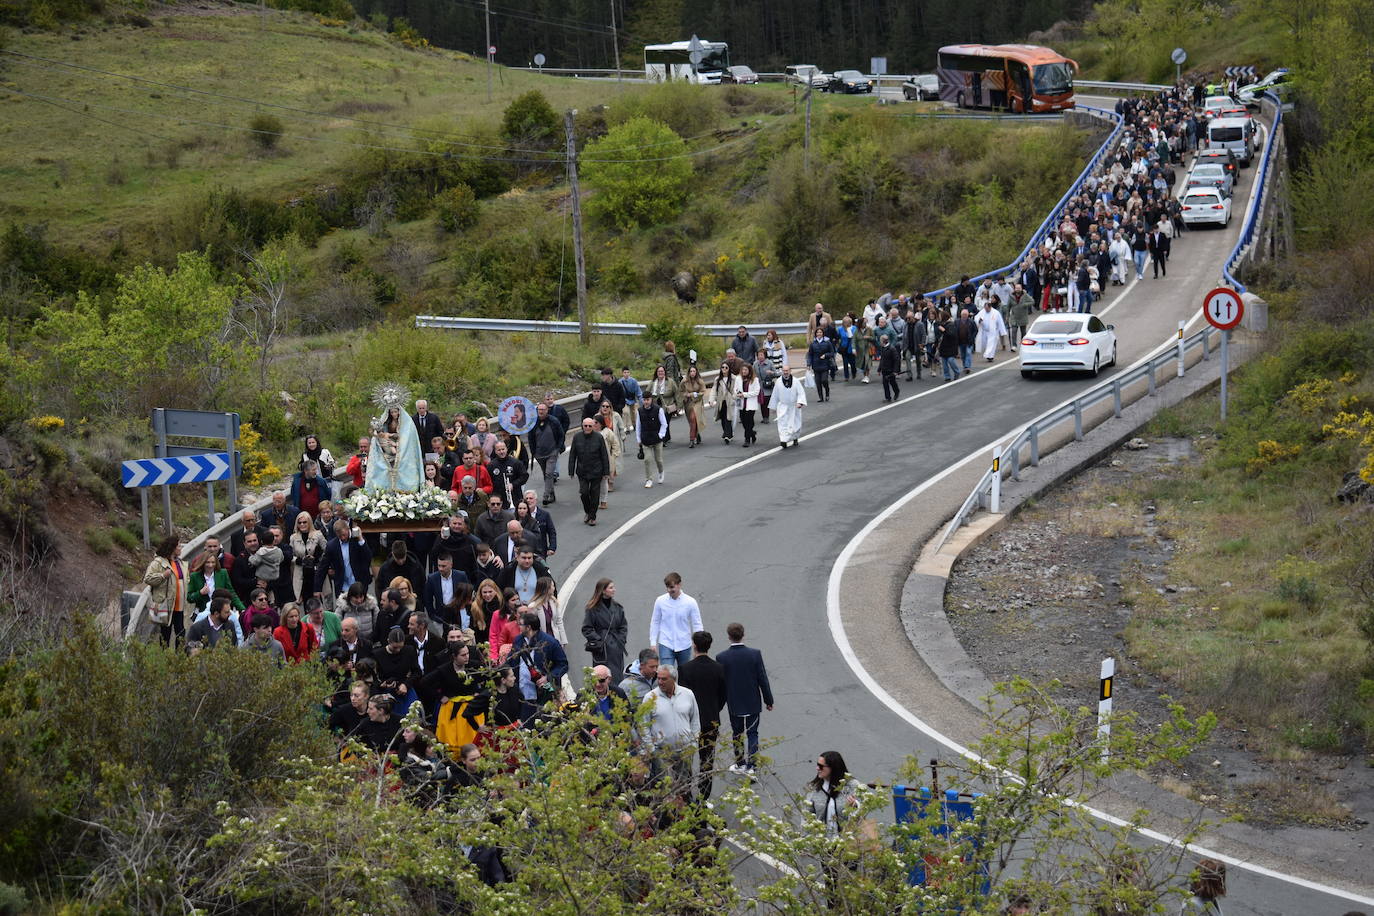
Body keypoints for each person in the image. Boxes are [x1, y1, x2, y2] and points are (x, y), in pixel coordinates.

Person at [718, 622, 773, 775]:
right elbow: (762, 679)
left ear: (729, 636)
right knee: (753, 733)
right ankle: (752, 766)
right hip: (753, 701)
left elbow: (721, 684)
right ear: (743, 635)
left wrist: (719, 703)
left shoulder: (722, 657)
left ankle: (740, 763)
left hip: (734, 702)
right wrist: (768, 700)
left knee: (737, 733)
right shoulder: (755, 654)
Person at [677, 630, 726, 800]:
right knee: (707, 760)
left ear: (694, 645)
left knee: (687, 759)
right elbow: (723, 695)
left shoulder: (685, 669)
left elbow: (681, 696)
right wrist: (714, 709)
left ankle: (687, 794)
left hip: (690, 721)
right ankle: (704, 797)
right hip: (711, 719)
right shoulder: (719, 668)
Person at [641, 664, 700, 797]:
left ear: (674, 679)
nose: (660, 682)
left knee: (683, 788)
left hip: (685, 750)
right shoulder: (650, 698)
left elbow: (695, 721)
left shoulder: (687, 694)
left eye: (664, 679)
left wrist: (693, 744)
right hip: (662, 752)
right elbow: (643, 725)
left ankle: (683, 814)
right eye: (659, 678)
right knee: (665, 788)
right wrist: (652, 749)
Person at [508, 612, 569, 720]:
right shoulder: (518, 640)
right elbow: (511, 661)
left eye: (520, 624)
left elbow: (563, 664)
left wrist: (548, 677)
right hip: (522, 693)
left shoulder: (550, 643)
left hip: (543, 695)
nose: (518, 627)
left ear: (528, 627)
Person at [649, 572, 702, 669]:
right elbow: (655, 621)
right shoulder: (660, 601)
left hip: (684, 644)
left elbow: (697, 624)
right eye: (668, 587)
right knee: (666, 673)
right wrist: (653, 642)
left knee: (684, 674)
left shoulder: (690, 602)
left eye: (672, 587)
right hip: (666, 643)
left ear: (679, 585)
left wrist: (698, 645)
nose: (670, 590)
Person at [143, 535, 187, 646]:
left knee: (180, 633)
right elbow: (147, 578)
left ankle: (179, 659)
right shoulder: (158, 563)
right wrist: (162, 576)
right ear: (172, 548)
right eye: (178, 546)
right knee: (165, 634)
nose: (180, 548)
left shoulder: (180, 563)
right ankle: (165, 657)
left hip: (179, 606)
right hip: (166, 605)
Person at [567, 416, 610, 526]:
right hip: (582, 471)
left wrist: (606, 472)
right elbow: (572, 454)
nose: (587, 428)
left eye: (589, 426)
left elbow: (604, 455)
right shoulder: (577, 437)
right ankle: (587, 511)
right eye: (585, 426)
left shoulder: (598, 437)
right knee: (584, 493)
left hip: (596, 471)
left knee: (595, 494)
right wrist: (571, 470)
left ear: (593, 426)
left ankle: (592, 517)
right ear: (582, 426)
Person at [581, 578, 628, 680]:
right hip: (602, 649)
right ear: (603, 590)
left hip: (616, 646)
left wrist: (621, 640)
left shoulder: (618, 608)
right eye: (611, 588)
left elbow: (623, 626)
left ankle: (617, 695)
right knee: (601, 675)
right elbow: (587, 628)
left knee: (617, 674)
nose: (614, 590)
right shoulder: (592, 608)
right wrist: (599, 639)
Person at [805, 750, 859, 835]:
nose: (817, 768)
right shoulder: (814, 788)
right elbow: (807, 815)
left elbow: (863, 811)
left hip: (847, 842)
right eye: (817, 765)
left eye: (821, 766)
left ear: (833, 768)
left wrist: (855, 805)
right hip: (822, 843)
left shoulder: (852, 785)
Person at [317, 520, 372, 599]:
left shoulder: (357, 540)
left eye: (344, 535)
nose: (343, 538)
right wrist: (317, 589)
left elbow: (368, 558)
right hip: (342, 586)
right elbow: (323, 567)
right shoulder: (332, 545)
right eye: (340, 536)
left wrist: (360, 539)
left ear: (347, 529)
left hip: (359, 584)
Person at [529, 401, 566, 507]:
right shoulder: (533, 423)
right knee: (546, 475)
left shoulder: (554, 421)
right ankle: (552, 495)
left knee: (549, 473)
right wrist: (533, 452)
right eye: (539, 409)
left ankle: (545, 496)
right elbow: (530, 438)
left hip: (552, 452)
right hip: (539, 454)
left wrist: (558, 448)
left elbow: (561, 435)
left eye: (543, 409)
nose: (541, 411)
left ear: (547, 410)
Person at [187, 549, 241, 616]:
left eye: (213, 562)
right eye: (207, 562)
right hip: (203, 613)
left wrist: (242, 609)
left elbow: (231, 592)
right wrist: (200, 593)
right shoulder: (194, 576)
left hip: (221, 612)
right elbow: (189, 598)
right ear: (203, 563)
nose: (210, 565)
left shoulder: (223, 573)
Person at [288, 511, 326, 603]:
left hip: (316, 572)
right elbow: (290, 555)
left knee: (320, 601)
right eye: (299, 522)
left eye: (304, 522)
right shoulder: (293, 537)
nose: (302, 524)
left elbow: (327, 550)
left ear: (309, 522)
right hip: (301, 573)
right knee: (306, 602)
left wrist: (317, 558)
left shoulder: (318, 534)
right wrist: (299, 560)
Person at [635, 393, 667, 489]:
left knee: (659, 460)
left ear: (651, 400)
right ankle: (649, 479)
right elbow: (638, 426)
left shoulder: (658, 410)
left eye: (647, 399)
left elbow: (664, 424)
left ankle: (661, 472)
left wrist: (661, 435)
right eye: (644, 400)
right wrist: (639, 439)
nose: (646, 402)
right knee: (647, 460)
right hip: (645, 440)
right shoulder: (639, 411)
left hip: (657, 439)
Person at [772, 365, 807, 449]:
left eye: (787, 370)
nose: (785, 372)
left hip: (794, 406)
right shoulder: (778, 382)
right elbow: (775, 395)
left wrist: (800, 403)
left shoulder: (795, 381)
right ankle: (783, 440)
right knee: (782, 423)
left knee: (795, 423)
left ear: (790, 371)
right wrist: (773, 406)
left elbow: (801, 393)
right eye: (784, 371)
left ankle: (795, 438)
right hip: (783, 406)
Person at [646, 365, 681, 445]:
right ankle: (666, 437)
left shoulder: (670, 382)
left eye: (662, 371)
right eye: (659, 371)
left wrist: (678, 405)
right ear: (656, 373)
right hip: (656, 407)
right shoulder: (653, 382)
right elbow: (647, 393)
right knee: (660, 422)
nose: (660, 373)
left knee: (664, 421)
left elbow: (677, 393)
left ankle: (663, 439)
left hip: (668, 406)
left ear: (664, 372)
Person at [707, 361, 738, 444]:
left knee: (728, 418)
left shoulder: (734, 378)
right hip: (721, 401)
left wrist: (734, 397)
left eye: (726, 367)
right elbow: (714, 390)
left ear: (729, 369)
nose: (724, 369)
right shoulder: (718, 379)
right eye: (722, 367)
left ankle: (728, 435)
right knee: (723, 418)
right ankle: (728, 433)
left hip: (730, 401)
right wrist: (711, 400)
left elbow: (736, 389)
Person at [680, 365, 707, 448]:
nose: (692, 373)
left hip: (697, 402)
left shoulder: (700, 381)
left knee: (693, 418)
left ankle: (692, 439)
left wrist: (693, 394)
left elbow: (703, 392)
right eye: (691, 371)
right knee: (692, 421)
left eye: (694, 371)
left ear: (696, 372)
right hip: (688, 403)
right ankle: (697, 434)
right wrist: (685, 395)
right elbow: (680, 391)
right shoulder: (684, 381)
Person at [735, 363, 761, 447]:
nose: (744, 371)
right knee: (743, 422)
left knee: (749, 422)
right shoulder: (738, 378)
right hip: (741, 403)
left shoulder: (755, 379)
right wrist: (737, 393)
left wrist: (744, 394)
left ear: (749, 370)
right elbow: (735, 389)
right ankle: (752, 434)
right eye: (742, 370)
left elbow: (756, 392)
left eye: (745, 370)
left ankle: (747, 440)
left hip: (750, 404)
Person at [806, 328, 834, 402]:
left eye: (820, 332)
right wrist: (808, 364)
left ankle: (827, 392)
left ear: (823, 333)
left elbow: (832, 353)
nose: (819, 334)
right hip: (816, 365)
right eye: (817, 332)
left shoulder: (827, 342)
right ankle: (820, 397)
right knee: (818, 382)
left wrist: (825, 355)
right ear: (815, 334)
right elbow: (810, 355)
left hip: (825, 365)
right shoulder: (813, 344)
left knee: (824, 380)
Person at [878, 336, 901, 402]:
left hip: (891, 370)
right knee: (885, 384)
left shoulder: (892, 349)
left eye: (880, 341)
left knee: (892, 382)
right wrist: (879, 369)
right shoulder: (882, 348)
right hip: (884, 369)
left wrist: (896, 371)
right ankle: (888, 397)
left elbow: (896, 360)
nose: (880, 342)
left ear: (883, 341)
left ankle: (896, 391)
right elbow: (882, 360)